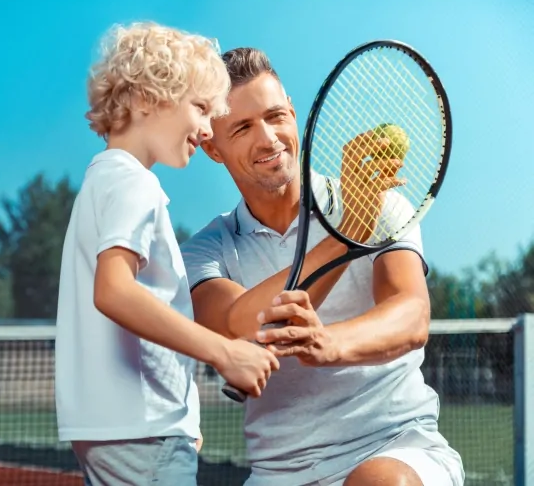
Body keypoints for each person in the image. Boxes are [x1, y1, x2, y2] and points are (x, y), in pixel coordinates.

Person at [180, 47, 465, 486]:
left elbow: (411, 316)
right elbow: (234, 325)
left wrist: (327, 343)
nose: (268, 138)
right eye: (242, 127)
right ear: (212, 148)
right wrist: (346, 233)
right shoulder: (204, 251)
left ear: (293, 113)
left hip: (393, 447)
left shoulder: (384, 202)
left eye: (275, 116)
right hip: (277, 473)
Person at [55, 25, 280, 486]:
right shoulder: (136, 183)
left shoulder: (102, 180)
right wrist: (224, 353)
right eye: (200, 108)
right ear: (145, 99)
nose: (205, 127)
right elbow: (114, 292)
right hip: (143, 430)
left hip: (123, 428)